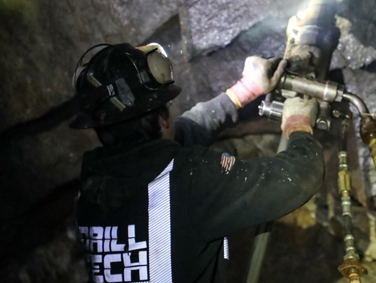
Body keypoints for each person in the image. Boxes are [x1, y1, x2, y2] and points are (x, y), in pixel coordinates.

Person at [70, 42, 324, 283]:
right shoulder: (189, 181)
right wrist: (298, 123)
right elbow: (298, 176)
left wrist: (246, 89)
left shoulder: (90, 188)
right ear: (163, 119)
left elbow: (179, 134)